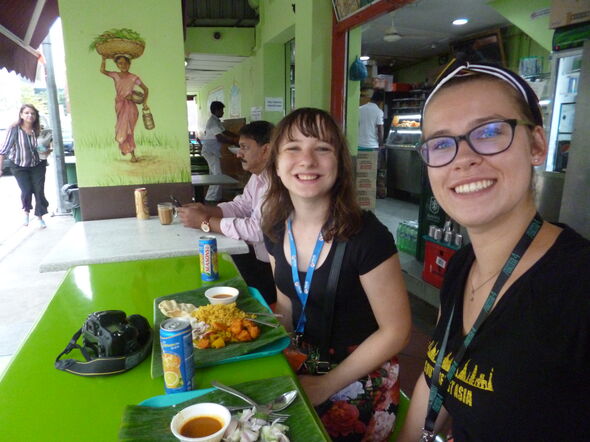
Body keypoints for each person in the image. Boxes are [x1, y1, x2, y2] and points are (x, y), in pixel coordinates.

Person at [398, 61, 590, 442]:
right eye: (441, 143)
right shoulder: (461, 266)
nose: (463, 158)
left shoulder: (578, 288)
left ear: (536, 144)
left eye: (487, 132)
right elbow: (439, 377)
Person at [262, 107, 411, 441]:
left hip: (359, 380)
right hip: (302, 362)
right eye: (293, 148)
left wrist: (327, 384)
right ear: (275, 163)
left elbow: (397, 331)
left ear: (340, 164)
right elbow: (287, 308)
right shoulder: (274, 229)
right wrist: (251, 332)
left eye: (323, 148)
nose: (307, 159)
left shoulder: (367, 236)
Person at [177, 121, 277, 305]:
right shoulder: (259, 177)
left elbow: (257, 230)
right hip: (260, 257)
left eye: (244, 148)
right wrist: (204, 209)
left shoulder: (277, 182)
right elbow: (241, 206)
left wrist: (204, 221)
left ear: (266, 150)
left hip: (274, 267)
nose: (239, 154)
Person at [0, 104, 50, 228]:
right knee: (26, 190)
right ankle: (26, 212)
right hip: (19, 165)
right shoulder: (14, 129)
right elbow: (4, 149)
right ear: (21, 115)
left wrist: (46, 150)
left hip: (37, 164)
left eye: (33, 113)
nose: (30, 115)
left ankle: (39, 217)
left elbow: (39, 146)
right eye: (27, 113)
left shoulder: (38, 129)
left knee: (39, 190)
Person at [100, 54, 149, 162]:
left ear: (129, 64)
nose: (123, 65)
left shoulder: (134, 78)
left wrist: (144, 103)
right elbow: (102, 71)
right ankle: (125, 147)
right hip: (120, 105)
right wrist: (104, 59)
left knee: (129, 131)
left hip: (131, 107)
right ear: (117, 64)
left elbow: (146, 89)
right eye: (120, 63)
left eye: (126, 63)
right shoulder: (115, 75)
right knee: (121, 129)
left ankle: (132, 155)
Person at [200, 101, 239, 202]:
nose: (223, 112)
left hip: (213, 152)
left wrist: (236, 135)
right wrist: (234, 141)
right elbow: (220, 138)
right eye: (221, 110)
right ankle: (210, 198)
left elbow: (224, 131)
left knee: (215, 174)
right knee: (217, 175)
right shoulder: (212, 122)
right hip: (210, 152)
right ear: (216, 110)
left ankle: (215, 197)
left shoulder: (216, 121)